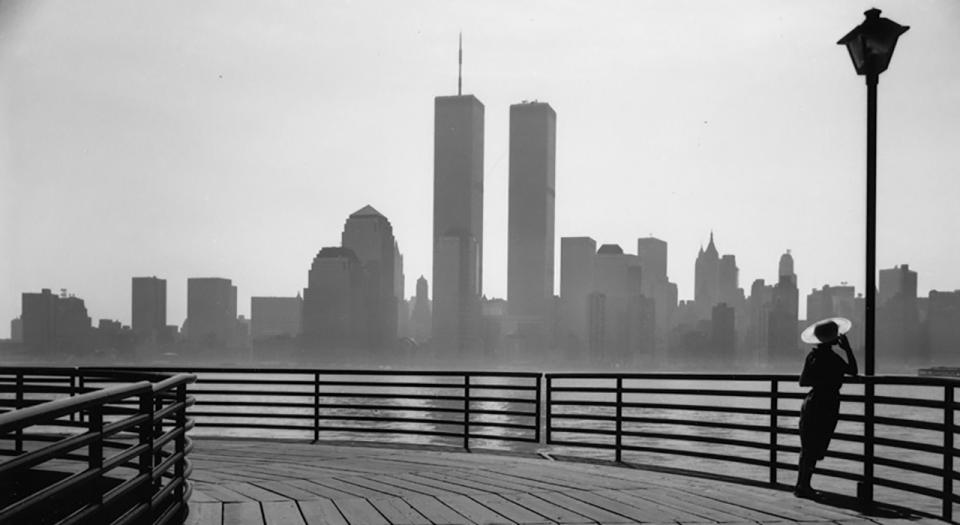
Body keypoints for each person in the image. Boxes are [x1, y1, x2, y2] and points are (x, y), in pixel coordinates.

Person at [795, 318, 858, 499]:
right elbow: (853, 370)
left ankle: (802, 485)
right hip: (828, 404)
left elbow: (802, 381)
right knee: (816, 446)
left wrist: (819, 379)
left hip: (812, 401)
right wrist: (847, 349)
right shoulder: (833, 358)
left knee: (807, 446)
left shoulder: (813, 356)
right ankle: (804, 485)